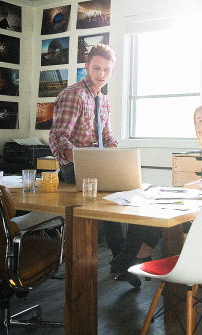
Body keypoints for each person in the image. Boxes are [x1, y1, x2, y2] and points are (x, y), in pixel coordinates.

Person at [48, 44, 158, 288]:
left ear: (112, 71)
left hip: (97, 166)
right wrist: (86, 158)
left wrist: (111, 155)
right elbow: (57, 138)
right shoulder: (73, 94)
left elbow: (108, 138)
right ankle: (123, 263)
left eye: (106, 70)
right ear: (87, 67)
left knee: (138, 194)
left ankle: (122, 260)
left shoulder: (103, 101)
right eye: (96, 68)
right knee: (117, 198)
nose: (101, 74)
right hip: (74, 168)